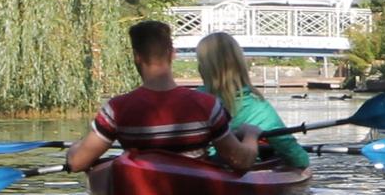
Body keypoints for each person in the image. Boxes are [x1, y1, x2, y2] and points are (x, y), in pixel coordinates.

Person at [66, 21, 255, 174]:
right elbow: (241, 161)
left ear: (136, 57)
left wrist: (76, 147)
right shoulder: (208, 106)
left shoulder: (116, 109)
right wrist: (251, 135)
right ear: (172, 53)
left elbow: (76, 163)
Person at [195, 32, 310, 170]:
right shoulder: (259, 108)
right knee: (277, 156)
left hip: (201, 167)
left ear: (202, 68)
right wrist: (303, 163)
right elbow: (299, 159)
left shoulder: (193, 101)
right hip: (243, 168)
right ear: (240, 65)